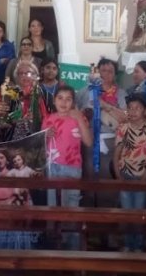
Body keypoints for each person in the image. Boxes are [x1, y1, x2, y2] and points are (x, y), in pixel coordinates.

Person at [42, 86, 93, 250]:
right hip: (52, 167)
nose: (64, 102)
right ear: (54, 100)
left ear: (73, 102)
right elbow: (40, 146)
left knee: (71, 208)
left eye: (68, 99)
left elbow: (88, 142)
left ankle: (73, 250)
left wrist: (78, 118)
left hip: (72, 167)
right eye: (60, 98)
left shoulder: (79, 117)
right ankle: (55, 248)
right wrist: (44, 136)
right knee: (53, 208)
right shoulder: (48, 118)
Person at [113, 94, 146, 252]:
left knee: (139, 214)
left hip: (142, 176)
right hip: (124, 174)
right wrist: (118, 175)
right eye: (130, 108)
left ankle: (138, 245)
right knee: (126, 212)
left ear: (145, 110)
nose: (132, 111)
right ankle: (127, 243)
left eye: (137, 108)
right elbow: (117, 152)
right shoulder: (123, 128)